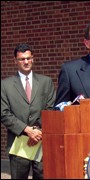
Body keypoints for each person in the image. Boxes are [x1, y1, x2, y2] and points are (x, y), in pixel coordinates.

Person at [1, 43, 56, 179]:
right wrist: (27, 130)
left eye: (28, 58)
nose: (26, 62)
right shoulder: (5, 85)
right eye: (21, 59)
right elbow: (4, 113)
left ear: (33, 59)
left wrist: (37, 131)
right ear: (15, 61)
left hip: (42, 140)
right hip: (18, 142)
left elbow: (51, 108)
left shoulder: (46, 82)